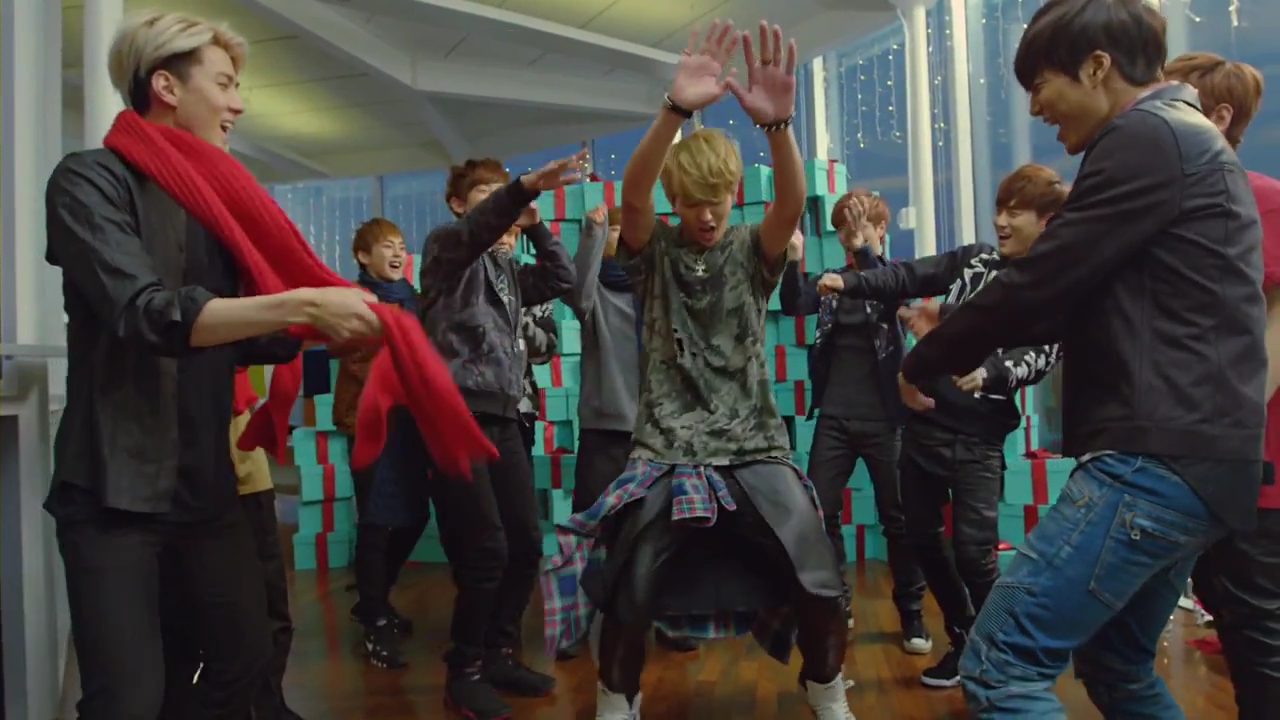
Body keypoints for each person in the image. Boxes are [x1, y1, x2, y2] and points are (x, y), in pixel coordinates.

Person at [896, 1, 1267, 715]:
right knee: (1116, 665)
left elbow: (1043, 282)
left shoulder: (1146, 136)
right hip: (1200, 460)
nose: (1036, 107)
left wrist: (921, 362)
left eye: (1041, 84)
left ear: (1098, 67)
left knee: (999, 663)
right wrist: (961, 320)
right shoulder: (1184, 137)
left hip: (1155, 460)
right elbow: (1085, 294)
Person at [43, 11, 382, 718]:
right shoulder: (87, 181)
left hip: (204, 489)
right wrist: (302, 304)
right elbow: (149, 313)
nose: (239, 103)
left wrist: (332, 329)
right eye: (225, 84)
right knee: (127, 699)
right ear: (166, 87)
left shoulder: (215, 206)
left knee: (245, 659)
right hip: (112, 494)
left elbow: (243, 336)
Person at [541, 21, 857, 719]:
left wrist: (778, 129)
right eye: (692, 201)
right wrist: (673, 110)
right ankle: (617, 698)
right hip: (665, 450)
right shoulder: (651, 254)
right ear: (675, 202)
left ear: (733, 193)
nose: (706, 214)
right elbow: (632, 198)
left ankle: (826, 686)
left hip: (754, 447)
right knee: (628, 589)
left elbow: (790, 205)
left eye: (717, 199)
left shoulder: (752, 249)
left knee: (820, 580)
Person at [821, 165, 1064, 688]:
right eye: (999, 209)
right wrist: (852, 279)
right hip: (926, 426)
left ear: (1046, 221)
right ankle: (964, 638)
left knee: (975, 553)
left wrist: (991, 371)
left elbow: (1041, 354)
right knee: (921, 540)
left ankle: (1004, 653)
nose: (1001, 221)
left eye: (1015, 212)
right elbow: (907, 277)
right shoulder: (976, 260)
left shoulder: (1051, 285)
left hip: (979, 439)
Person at [416, 154, 581, 718]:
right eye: (486, 196)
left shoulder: (507, 270)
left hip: (505, 414)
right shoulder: (446, 249)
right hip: (455, 414)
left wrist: (536, 225)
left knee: (525, 543)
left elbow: (561, 279)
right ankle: (463, 671)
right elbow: (477, 231)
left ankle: (499, 654)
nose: (501, 207)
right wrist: (521, 190)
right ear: (459, 205)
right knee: (485, 549)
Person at [1164, 51, 1280, 719]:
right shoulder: (1178, 204)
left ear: (1220, 117)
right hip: (1191, 465)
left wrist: (1228, 428)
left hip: (1250, 466)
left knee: (1259, 643)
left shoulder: (1261, 199)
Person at [778, 190, 930, 653]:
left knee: (898, 520)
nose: (849, 235)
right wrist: (793, 259)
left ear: (881, 230)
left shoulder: (895, 276)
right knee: (820, 512)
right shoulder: (834, 280)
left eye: (860, 225)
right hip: (835, 418)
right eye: (843, 227)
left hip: (885, 420)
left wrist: (864, 249)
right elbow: (793, 303)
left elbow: (887, 291)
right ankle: (836, 601)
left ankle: (912, 613)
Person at [557, 204, 699, 661]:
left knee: (665, 531)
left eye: (629, 230)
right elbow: (576, 289)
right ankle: (574, 625)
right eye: (617, 230)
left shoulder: (658, 291)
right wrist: (593, 231)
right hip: (604, 430)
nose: (623, 236)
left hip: (657, 433)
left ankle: (669, 618)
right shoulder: (595, 295)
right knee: (587, 532)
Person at [332, 217, 427, 669]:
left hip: (410, 423)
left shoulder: (414, 299)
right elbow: (344, 351)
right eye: (387, 246)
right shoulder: (353, 301)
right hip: (369, 422)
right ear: (362, 256)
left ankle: (373, 600)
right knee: (376, 520)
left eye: (401, 245)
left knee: (415, 515)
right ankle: (375, 620)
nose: (397, 253)